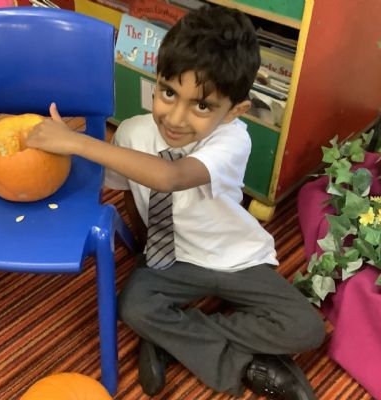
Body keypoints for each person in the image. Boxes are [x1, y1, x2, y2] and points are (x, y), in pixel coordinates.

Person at [26, 5, 325, 399]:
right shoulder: (131, 134)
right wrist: (145, 246)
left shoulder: (233, 139)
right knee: (133, 307)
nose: (176, 118)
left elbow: (170, 177)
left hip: (234, 257)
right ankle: (244, 363)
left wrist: (78, 141)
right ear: (157, 79)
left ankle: (171, 339)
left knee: (307, 328)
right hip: (172, 259)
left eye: (202, 106)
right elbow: (130, 192)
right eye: (169, 93)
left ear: (234, 111)